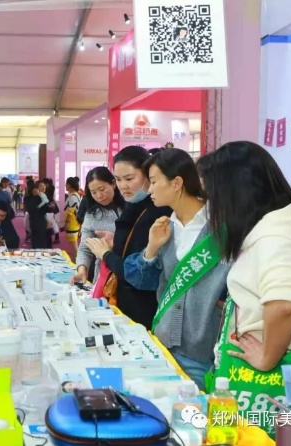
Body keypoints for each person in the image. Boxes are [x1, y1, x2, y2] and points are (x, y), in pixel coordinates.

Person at [200, 142, 291, 443]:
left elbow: (285, 305)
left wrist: (267, 358)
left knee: (253, 437)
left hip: (262, 375)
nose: (212, 204)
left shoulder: (275, 238)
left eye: (213, 194)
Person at [122, 148, 230, 390]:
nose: (149, 189)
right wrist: (151, 248)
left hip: (205, 352)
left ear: (177, 183)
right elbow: (140, 280)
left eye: (153, 181)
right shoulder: (164, 227)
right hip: (163, 345)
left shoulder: (221, 227)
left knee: (198, 413)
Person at [84, 147, 172, 329]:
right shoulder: (134, 205)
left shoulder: (157, 211)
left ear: (148, 175)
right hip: (127, 300)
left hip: (145, 306)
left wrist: (105, 254)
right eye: (118, 179)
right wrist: (117, 242)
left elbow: (138, 271)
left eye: (129, 179)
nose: (123, 185)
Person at [72, 167, 125, 284]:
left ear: (113, 184)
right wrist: (82, 269)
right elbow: (85, 247)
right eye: (93, 192)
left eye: (102, 189)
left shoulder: (129, 207)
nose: (99, 196)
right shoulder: (92, 215)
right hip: (104, 277)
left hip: (130, 271)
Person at [24, 179, 50, 249]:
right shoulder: (39, 198)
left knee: (35, 240)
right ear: (35, 188)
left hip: (32, 221)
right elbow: (47, 208)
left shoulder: (26, 198)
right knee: (42, 242)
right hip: (41, 221)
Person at [64, 176, 82, 260]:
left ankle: (77, 264)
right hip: (75, 223)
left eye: (66, 184)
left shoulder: (72, 197)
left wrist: (67, 222)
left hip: (72, 223)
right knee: (74, 246)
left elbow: (70, 211)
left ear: (69, 185)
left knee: (74, 247)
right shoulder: (76, 195)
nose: (65, 186)